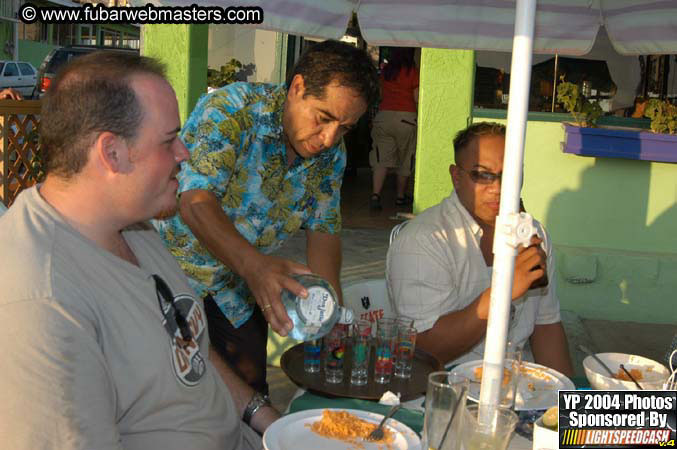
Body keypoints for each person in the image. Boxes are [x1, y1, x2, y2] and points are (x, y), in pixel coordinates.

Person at [0, 51, 278, 449]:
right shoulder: (40, 300)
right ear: (111, 153)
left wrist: (264, 417)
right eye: (169, 141)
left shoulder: (135, 224)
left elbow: (183, 343)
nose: (184, 154)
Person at [154, 40, 380, 395]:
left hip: (235, 290)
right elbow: (195, 201)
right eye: (323, 118)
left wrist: (330, 314)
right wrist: (256, 267)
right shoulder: (232, 110)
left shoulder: (330, 156)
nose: (330, 138)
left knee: (248, 395)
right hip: (168, 278)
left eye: (346, 128)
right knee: (174, 395)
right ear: (298, 87)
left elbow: (323, 233)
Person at [386, 122, 574, 376]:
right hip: (442, 388)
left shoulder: (533, 234)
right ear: (456, 176)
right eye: (483, 175)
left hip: (518, 384)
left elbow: (547, 326)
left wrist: (567, 405)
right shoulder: (422, 241)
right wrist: (501, 293)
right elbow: (423, 350)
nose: (498, 188)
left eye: (510, 175)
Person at [369, 47, 419, 210]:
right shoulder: (413, 72)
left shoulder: (385, 72)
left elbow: (380, 94)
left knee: (380, 159)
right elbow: (417, 97)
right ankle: (400, 197)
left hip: (384, 117)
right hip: (407, 119)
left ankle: (375, 196)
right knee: (406, 158)